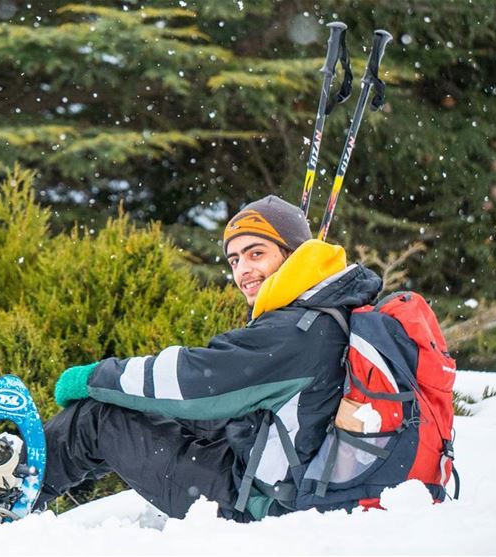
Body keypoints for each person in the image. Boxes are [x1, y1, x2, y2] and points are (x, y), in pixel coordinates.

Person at [32, 194, 382, 521]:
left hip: (265, 505)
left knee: (97, 418)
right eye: (235, 259)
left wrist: (94, 377)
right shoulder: (329, 311)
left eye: (255, 253)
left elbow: (192, 381)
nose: (242, 269)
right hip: (285, 474)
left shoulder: (296, 331)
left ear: (292, 254)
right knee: (145, 407)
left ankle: (6, 500)